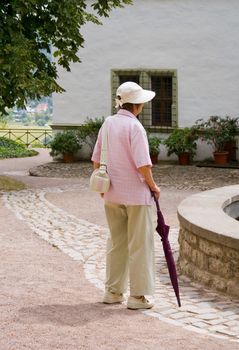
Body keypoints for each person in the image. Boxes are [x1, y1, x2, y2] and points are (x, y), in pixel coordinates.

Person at [91, 81, 160, 310]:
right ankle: (138, 297)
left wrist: (103, 186)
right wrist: (154, 187)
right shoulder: (136, 128)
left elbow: (96, 160)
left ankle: (113, 292)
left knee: (116, 242)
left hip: (111, 193)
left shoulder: (108, 123)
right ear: (138, 105)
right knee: (139, 244)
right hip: (137, 197)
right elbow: (143, 166)